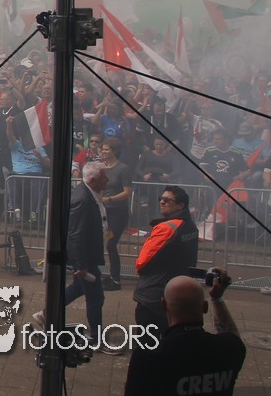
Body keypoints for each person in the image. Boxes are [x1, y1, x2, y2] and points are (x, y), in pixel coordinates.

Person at [114, 269, 245, 396]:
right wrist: (217, 299)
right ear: (204, 308)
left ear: (163, 305)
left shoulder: (151, 357)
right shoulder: (228, 350)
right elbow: (231, 334)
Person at [30, 164, 117, 353]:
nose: (107, 180)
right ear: (93, 180)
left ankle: (46, 313)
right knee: (96, 297)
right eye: (104, 177)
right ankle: (96, 339)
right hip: (85, 258)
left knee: (78, 287)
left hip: (87, 256)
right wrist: (81, 265)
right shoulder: (83, 200)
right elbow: (76, 235)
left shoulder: (89, 195)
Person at [133, 185, 199, 333]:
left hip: (154, 295)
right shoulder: (190, 225)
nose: (162, 202)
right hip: (177, 291)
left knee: (148, 341)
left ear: (180, 205)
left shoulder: (167, 228)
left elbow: (142, 262)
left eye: (168, 200)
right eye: (161, 198)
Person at [98, 138, 133, 291]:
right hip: (105, 212)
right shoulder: (102, 168)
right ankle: (103, 274)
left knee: (111, 244)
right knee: (105, 242)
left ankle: (115, 279)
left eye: (107, 149)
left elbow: (127, 191)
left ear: (114, 151)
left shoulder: (123, 169)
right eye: (103, 149)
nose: (103, 151)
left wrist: (110, 199)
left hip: (118, 213)